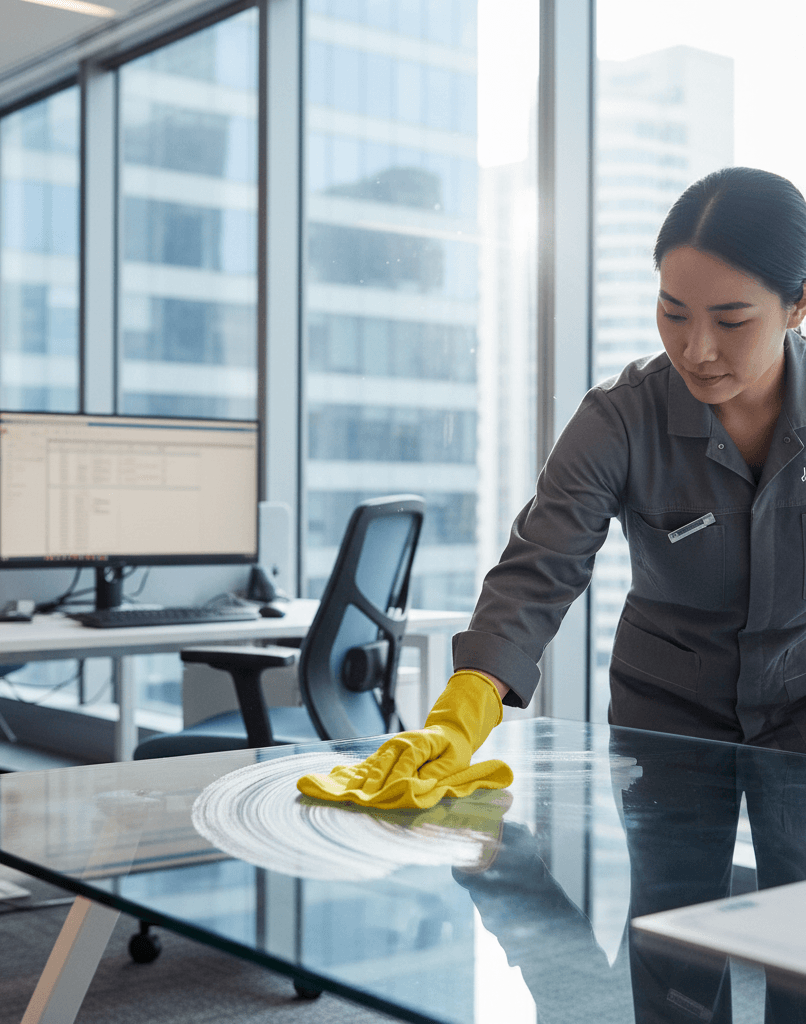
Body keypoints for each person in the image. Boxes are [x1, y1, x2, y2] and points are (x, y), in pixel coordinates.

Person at [298, 165, 806, 806]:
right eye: (673, 313)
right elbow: (537, 574)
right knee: (667, 904)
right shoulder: (619, 418)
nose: (696, 348)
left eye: (731, 322)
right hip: (669, 715)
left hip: (801, 699)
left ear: (798, 304)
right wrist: (459, 719)